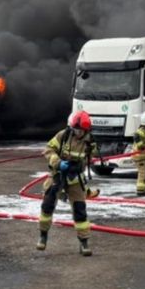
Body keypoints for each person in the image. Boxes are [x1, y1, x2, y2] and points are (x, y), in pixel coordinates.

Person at [36, 110, 98, 256]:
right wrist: (58, 162)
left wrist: (80, 164)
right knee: (47, 205)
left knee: (80, 211)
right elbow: (48, 149)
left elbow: (91, 157)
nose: (78, 133)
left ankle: (84, 243)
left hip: (75, 178)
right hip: (58, 175)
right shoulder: (63, 135)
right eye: (76, 130)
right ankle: (43, 236)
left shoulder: (90, 141)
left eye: (80, 130)